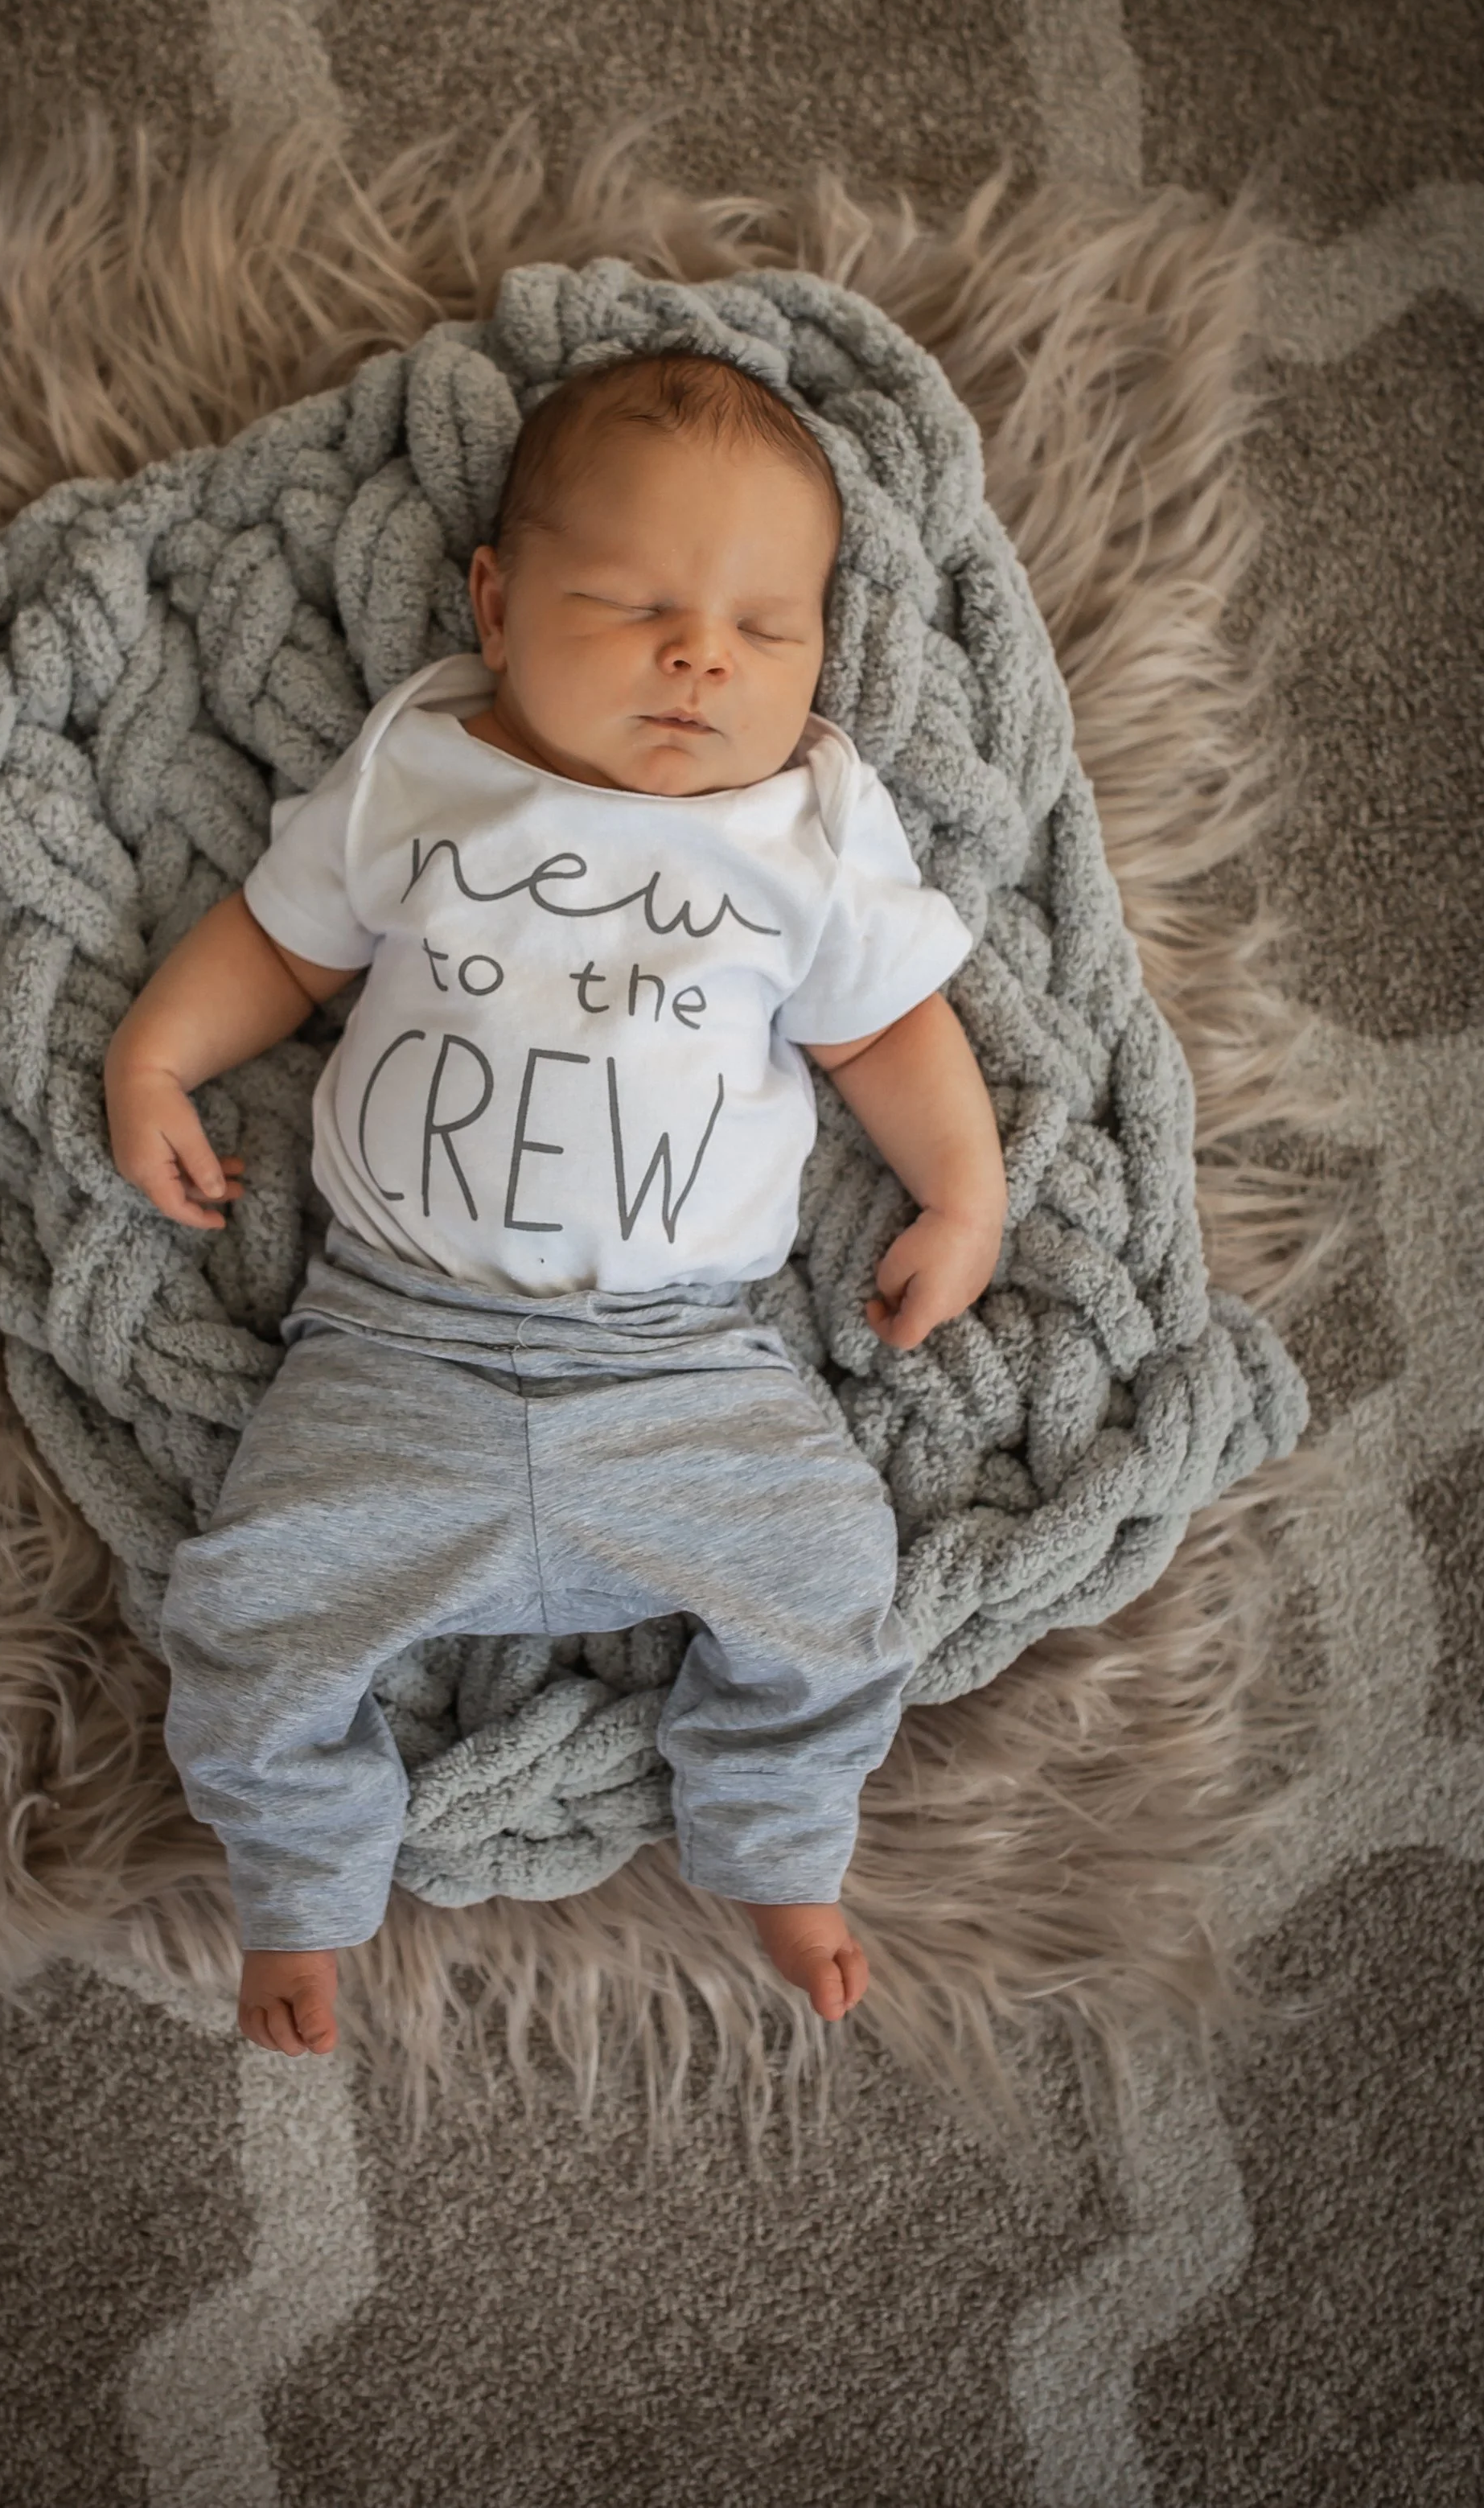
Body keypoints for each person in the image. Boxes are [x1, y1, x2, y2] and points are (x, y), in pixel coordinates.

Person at [104, 348, 1008, 2056]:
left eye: (765, 627)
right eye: (635, 603)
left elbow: (887, 1024)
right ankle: (299, 1890)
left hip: (685, 1364)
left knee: (831, 1573)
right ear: (496, 600)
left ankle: (774, 1842)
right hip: (394, 1344)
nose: (699, 659)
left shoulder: (803, 827)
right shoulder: (423, 769)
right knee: (244, 1607)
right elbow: (280, 946)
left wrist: (960, 1193)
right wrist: (156, 1061)